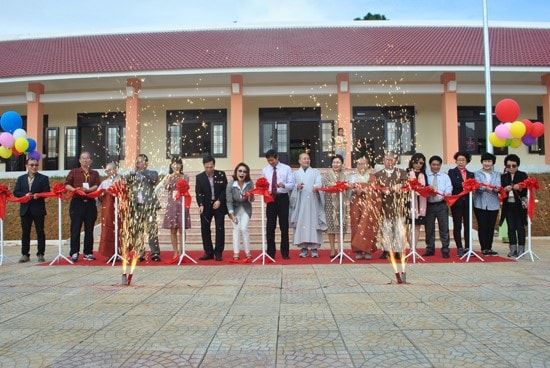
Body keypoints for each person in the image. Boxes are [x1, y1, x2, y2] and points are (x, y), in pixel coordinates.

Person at [65, 151, 101, 262]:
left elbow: (97, 185)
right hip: (77, 202)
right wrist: (75, 190)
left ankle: (88, 252)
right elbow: (66, 184)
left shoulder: (94, 173)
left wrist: (88, 190)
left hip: (90, 202)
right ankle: (74, 252)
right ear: (79, 160)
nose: (85, 160)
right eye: (83, 158)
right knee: (75, 228)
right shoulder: (74, 172)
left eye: (87, 158)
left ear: (91, 160)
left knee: (89, 229)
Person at [13, 158, 50, 263]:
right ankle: (25, 254)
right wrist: (24, 195)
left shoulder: (43, 178)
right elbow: (16, 192)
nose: (34, 167)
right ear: (27, 166)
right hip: (25, 209)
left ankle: (41, 254)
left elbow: (47, 192)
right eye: (32, 165)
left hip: (38, 208)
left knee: (40, 232)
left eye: (36, 165)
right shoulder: (21, 179)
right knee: (25, 232)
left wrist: (39, 195)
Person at [290, 152, 326, 258]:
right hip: (300, 202)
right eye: (304, 159)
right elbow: (291, 186)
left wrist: (316, 187)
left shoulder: (315, 172)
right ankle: (304, 248)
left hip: (313, 202)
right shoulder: (295, 174)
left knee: (313, 223)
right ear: (299, 161)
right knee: (301, 223)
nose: (307, 160)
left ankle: (314, 248)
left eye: (308, 158)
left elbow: (319, 183)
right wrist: (297, 187)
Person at [126, 153, 161, 262]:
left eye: (140, 161)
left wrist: (142, 171)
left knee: (152, 229)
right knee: (138, 230)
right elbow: (126, 181)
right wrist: (133, 173)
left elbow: (154, 178)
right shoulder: (133, 174)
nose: (138, 163)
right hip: (137, 206)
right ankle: (140, 253)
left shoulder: (151, 173)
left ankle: (155, 252)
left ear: (146, 163)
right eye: (137, 161)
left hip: (149, 206)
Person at [374, 151, 408, 259]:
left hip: (398, 203)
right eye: (387, 160)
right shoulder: (378, 174)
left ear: (395, 161)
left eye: (391, 160)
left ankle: (398, 250)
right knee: (386, 227)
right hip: (384, 204)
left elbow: (406, 183)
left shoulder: (401, 172)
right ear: (384, 161)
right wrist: (381, 190)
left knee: (398, 227)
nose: (389, 162)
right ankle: (386, 249)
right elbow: (375, 187)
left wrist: (401, 184)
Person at [262, 149, 294, 260]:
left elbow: (292, 184)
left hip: (283, 198)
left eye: (272, 160)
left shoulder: (286, 168)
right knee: (270, 226)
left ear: (277, 157)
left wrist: (284, 185)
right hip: (271, 198)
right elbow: (263, 184)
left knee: (284, 226)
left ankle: (285, 252)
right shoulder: (265, 170)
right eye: (269, 161)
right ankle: (270, 252)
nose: (271, 163)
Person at [196, 155, 228, 261]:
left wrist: (219, 200)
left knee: (219, 228)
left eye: (211, 167)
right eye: (207, 167)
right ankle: (208, 252)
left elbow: (225, 190)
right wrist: (200, 205)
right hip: (206, 206)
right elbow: (198, 192)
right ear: (204, 166)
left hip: (218, 205)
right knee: (205, 229)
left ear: (214, 165)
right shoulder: (199, 177)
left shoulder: (221, 174)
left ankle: (218, 252)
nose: (209, 169)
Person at [349, 156, 381, 260]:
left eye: (362, 164)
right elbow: (347, 190)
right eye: (358, 164)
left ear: (367, 165)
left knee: (368, 225)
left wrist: (366, 190)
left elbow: (377, 192)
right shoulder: (352, 177)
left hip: (369, 204)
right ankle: (358, 250)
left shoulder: (372, 177)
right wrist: (354, 191)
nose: (360, 166)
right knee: (356, 224)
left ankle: (368, 249)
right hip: (356, 203)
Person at [161, 157, 191, 263]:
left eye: (178, 164)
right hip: (172, 204)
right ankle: (175, 251)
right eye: (174, 164)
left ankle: (182, 250)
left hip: (182, 203)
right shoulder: (168, 176)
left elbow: (186, 187)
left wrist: (179, 178)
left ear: (181, 165)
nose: (176, 166)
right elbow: (166, 187)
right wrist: (171, 178)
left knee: (181, 228)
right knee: (172, 229)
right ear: (171, 165)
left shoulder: (185, 176)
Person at [424, 155, 453, 258]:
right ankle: (430, 248)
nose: (435, 167)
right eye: (433, 164)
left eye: (437, 165)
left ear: (440, 165)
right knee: (429, 228)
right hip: (429, 205)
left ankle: (445, 249)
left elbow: (449, 187)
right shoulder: (426, 176)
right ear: (430, 165)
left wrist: (447, 193)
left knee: (444, 228)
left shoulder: (445, 176)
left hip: (441, 205)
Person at [500, 154, 528, 257]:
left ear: (517, 165)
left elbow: (527, 188)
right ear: (506, 166)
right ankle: (513, 249)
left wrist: (519, 187)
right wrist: (505, 189)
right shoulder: (503, 177)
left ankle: (521, 249)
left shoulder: (522, 175)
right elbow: (500, 190)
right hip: (508, 205)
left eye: (514, 165)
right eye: (509, 166)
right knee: (510, 227)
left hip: (519, 205)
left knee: (520, 227)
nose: (511, 168)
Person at [448, 151, 475, 257]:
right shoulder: (452, 172)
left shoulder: (471, 174)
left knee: (468, 225)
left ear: (467, 161)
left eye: (463, 160)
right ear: (456, 161)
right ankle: (459, 247)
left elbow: (473, 185)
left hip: (468, 202)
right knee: (457, 225)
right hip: (457, 202)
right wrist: (465, 184)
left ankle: (468, 247)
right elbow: (455, 183)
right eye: (459, 160)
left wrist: (468, 185)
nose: (461, 162)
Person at [474, 152, 501, 256]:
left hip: (493, 204)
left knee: (491, 226)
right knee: (482, 226)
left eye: (489, 161)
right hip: (480, 203)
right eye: (485, 161)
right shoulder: (477, 173)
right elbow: (477, 185)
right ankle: (484, 248)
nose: (487, 163)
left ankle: (489, 247)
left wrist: (494, 189)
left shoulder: (497, 174)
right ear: (482, 162)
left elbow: (498, 185)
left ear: (492, 163)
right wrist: (486, 188)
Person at [226, 162, 254, 261]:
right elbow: (229, 201)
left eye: (244, 172)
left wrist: (250, 196)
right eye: (240, 171)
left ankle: (247, 252)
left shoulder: (250, 183)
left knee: (244, 228)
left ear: (247, 174)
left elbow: (252, 200)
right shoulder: (230, 184)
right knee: (236, 229)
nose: (242, 173)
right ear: (236, 172)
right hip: (235, 209)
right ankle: (236, 252)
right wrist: (232, 215)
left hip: (246, 208)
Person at [323, 154, 349, 258]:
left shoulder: (345, 175)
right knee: (331, 226)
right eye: (334, 162)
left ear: (342, 164)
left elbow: (348, 186)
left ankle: (340, 248)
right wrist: (334, 185)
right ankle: (332, 249)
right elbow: (325, 184)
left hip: (341, 204)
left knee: (341, 226)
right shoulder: (327, 174)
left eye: (338, 162)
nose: (336, 164)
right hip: (330, 203)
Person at [97, 162, 121, 260]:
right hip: (108, 212)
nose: (109, 172)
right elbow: (98, 195)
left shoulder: (121, 180)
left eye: (111, 170)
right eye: (107, 171)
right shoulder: (104, 183)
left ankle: (120, 252)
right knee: (108, 231)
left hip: (120, 210)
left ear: (116, 169)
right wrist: (102, 195)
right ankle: (109, 253)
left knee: (120, 230)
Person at [407, 153, 427, 251]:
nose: (418, 164)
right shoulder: (407, 173)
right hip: (409, 202)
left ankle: (414, 248)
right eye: (416, 162)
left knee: (417, 226)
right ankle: (410, 246)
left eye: (421, 163)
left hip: (421, 202)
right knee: (408, 226)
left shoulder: (424, 175)